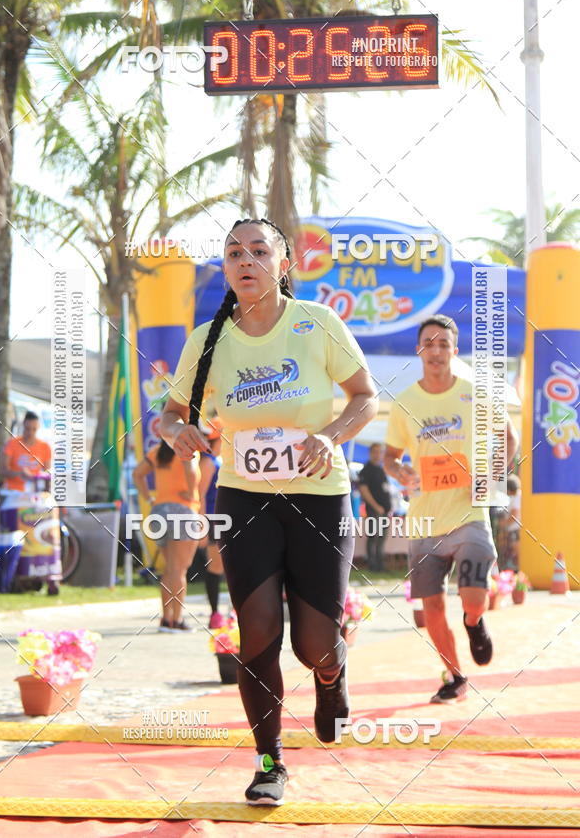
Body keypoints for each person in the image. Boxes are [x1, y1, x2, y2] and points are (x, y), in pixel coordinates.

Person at [161, 217, 377, 805]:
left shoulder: (317, 325)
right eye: (234, 253)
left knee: (313, 645)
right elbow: (172, 411)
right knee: (256, 630)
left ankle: (331, 680)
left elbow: (365, 396)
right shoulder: (207, 339)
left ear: (285, 264)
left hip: (319, 496)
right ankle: (268, 762)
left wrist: (331, 436)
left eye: (260, 251)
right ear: (226, 269)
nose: (245, 260)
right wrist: (175, 431)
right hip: (244, 495)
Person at [384, 314, 519, 703]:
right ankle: (455, 676)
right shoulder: (404, 402)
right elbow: (391, 457)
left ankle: (474, 622)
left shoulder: (475, 392)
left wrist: (492, 477)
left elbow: (508, 437)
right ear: (419, 350)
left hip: (468, 516)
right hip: (424, 519)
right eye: (430, 343)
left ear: (454, 351)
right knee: (432, 608)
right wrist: (401, 472)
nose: (437, 350)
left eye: (444, 344)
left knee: (473, 598)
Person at [133, 439, 200, 632]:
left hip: (159, 511)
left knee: (170, 569)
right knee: (180, 570)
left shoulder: (157, 451)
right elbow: (191, 470)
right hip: (183, 511)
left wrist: (148, 498)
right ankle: (176, 621)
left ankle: (165, 618)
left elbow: (137, 474)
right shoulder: (188, 448)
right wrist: (191, 492)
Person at [198, 417, 226, 629]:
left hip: (226, 517)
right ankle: (215, 613)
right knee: (216, 566)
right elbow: (200, 493)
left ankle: (226, 612)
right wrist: (201, 525)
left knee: (229, 566)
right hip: (214, 519)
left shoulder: (219, 459)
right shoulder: (208, 460)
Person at [358, 443, 392, 571]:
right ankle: (372, 565)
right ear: (370, 453)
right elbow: (364, 490)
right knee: (373, 537)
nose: (378, 454)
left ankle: (380, 565)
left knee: (382, 538)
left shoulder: (382, 469)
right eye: (375, 452)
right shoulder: (366, 470)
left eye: (380, 452)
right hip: (374, 510)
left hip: (385, 510)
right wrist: (376, 506)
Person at [1, 411, 51, 491]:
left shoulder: (45, 446)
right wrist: (19, 473)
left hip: (35, 492)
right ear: (23, 425)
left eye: (34, 429)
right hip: (12, 491)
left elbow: (47, 473)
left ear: (38, 427)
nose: (30, 432)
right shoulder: (11, 443)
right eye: (27, 429)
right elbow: (3, 471)